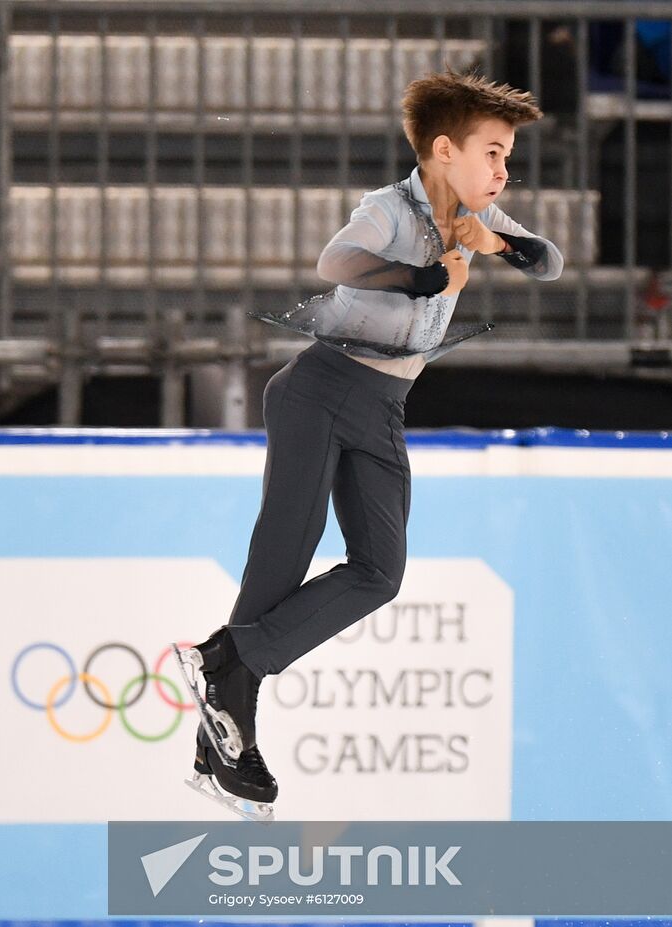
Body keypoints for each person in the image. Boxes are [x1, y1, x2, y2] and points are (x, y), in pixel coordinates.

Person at [174, 69, 564, 817]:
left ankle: (223, 677)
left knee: (380, 572)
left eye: (507, 156)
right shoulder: (389, 209)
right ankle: (225, 722)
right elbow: (335, 264)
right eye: (491, 152)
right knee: (282, 559)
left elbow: (548, 262)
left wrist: (497, 243)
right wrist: (420, 280)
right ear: (442, 150)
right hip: (321, 390)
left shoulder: (481, 216)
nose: (501, 169)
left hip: (383, 405)